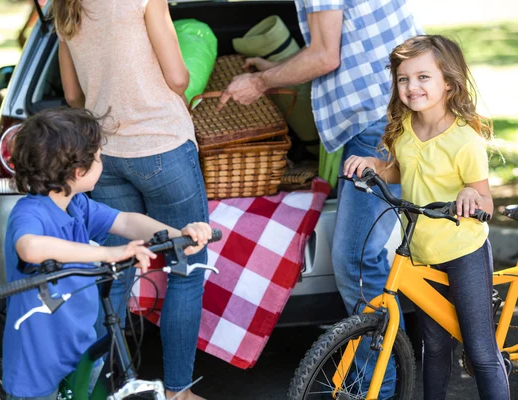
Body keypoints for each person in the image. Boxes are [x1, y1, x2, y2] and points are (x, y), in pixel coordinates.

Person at [218, 1, 420, 395]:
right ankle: (387, 377)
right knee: (365, 257)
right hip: (388, 112)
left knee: (357, 260)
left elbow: (326, 55)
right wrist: (278, 70)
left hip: (378, 122)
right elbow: (342, 41)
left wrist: (261, 84)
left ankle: (378, 387)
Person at [53, 1, 210, 399]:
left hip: (106, 156)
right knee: (186, 265)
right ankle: (178, 392)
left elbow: (73, 95)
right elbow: (177, 78)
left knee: (115, 273)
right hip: (163, 146)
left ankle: (90, 389)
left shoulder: (65, 6)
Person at [2, 107, 212, 400]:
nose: (102, 162)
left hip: (80, 343)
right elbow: (30, 247)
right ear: (78, 171)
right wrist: (108, 254)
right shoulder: (30, 212)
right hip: (39, 353)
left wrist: (179, 236)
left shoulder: (77, 205)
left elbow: (126, 221)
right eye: (99, 158)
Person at [343, 35, 509, 400]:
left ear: (448, 82)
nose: (411, 86)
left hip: (462, 250)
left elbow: (484, 199)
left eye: (423, 77)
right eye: (403, 79)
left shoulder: (464, 141)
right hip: (421, 250)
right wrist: (374, 165)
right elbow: (403, 171)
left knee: (480, 351)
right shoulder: (403, 129)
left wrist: (468, 194)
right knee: (432, 347)